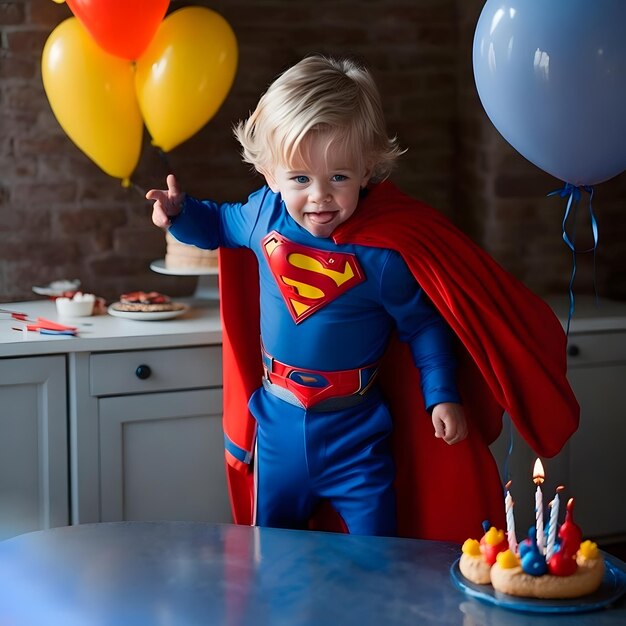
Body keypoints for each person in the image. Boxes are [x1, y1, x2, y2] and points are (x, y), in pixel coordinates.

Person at [147, 55, 579, 542]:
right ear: (269, 173)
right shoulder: (261, 216)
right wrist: (179, 215)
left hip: (357, 431)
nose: (320, 197)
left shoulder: (384, 254)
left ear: (367, 171)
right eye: (300, 178)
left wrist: (442, 396)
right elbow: (217, 224)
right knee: (270, 553)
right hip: (277, 422)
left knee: (379, 557)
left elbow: (424, 327)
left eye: (338, 177)